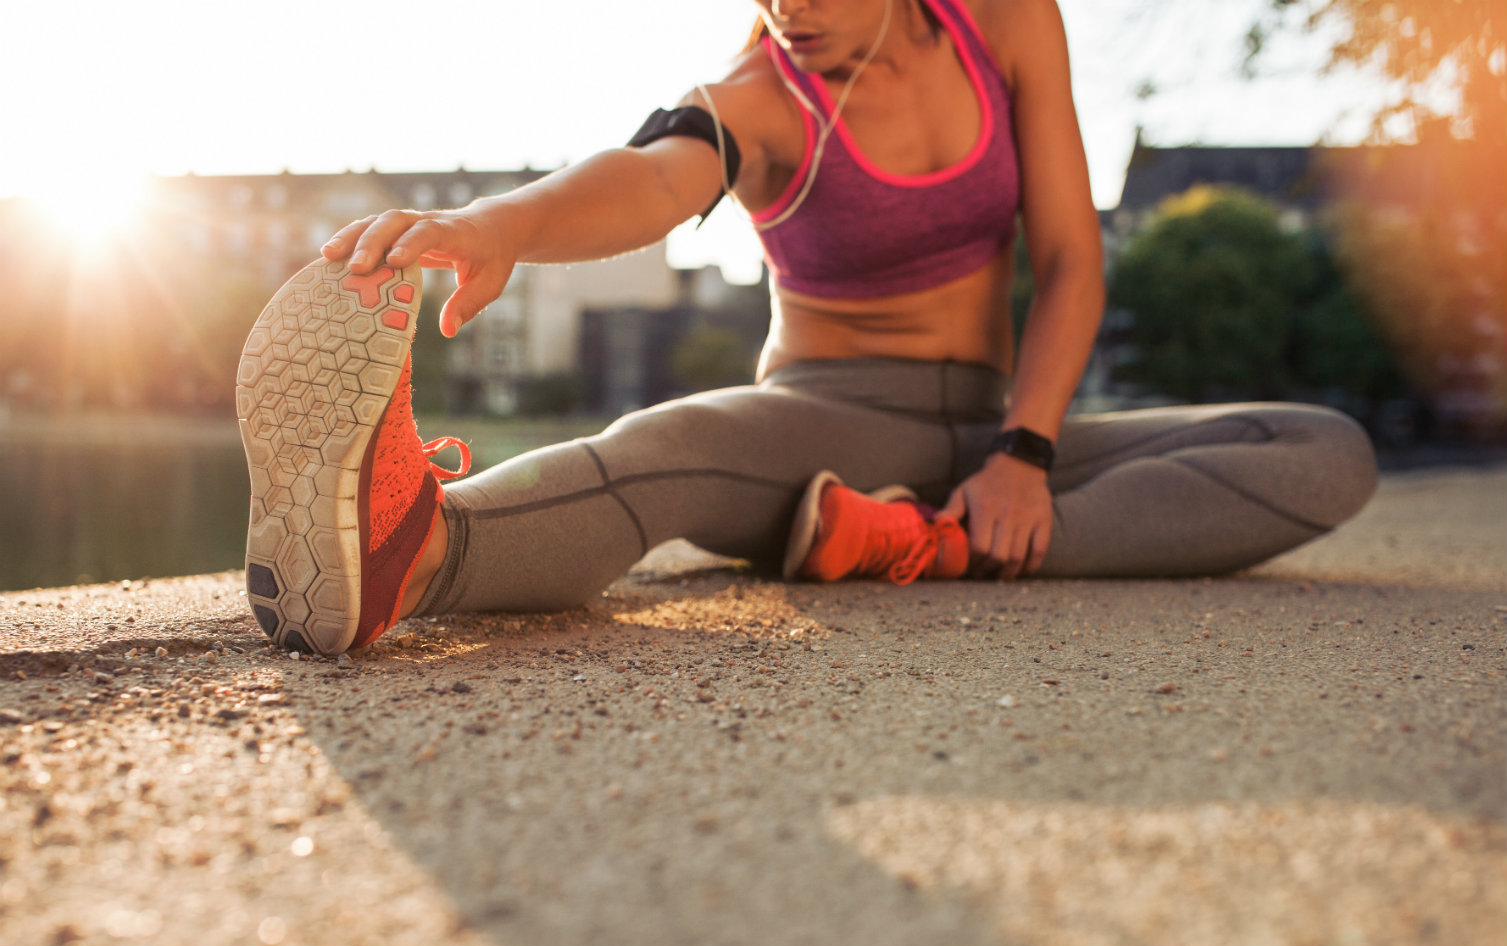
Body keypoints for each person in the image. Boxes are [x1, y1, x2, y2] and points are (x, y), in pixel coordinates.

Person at [236, 0, 1377, 658]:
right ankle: (405, 551)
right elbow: (645, 178)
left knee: (1321, 449)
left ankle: (925, 543)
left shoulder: (1009, 20)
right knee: (663, 445)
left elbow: (1074, 263)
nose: (798, 11)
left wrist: (1024, 455)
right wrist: (501, 223)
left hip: (993, 438)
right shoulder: (756, 95)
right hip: (820, 433)